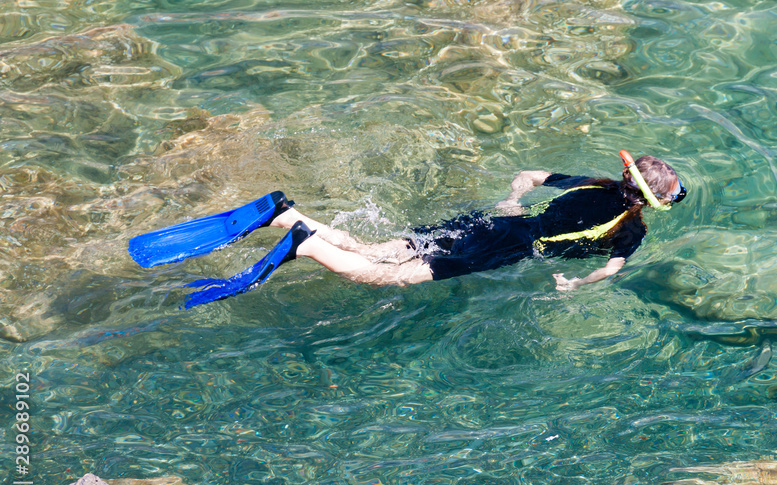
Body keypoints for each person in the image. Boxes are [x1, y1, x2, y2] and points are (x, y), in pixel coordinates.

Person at [128, 151, 686, 308]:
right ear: (651, 202)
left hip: (491, 221)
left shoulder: (589, 182)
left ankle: (286, 214)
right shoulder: (629, 230)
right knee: (387, 278)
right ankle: (301, 245)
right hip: (505, 244)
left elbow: (532, 175)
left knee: (380, 248)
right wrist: (574, 286)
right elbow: (611, 270)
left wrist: (511, 199)